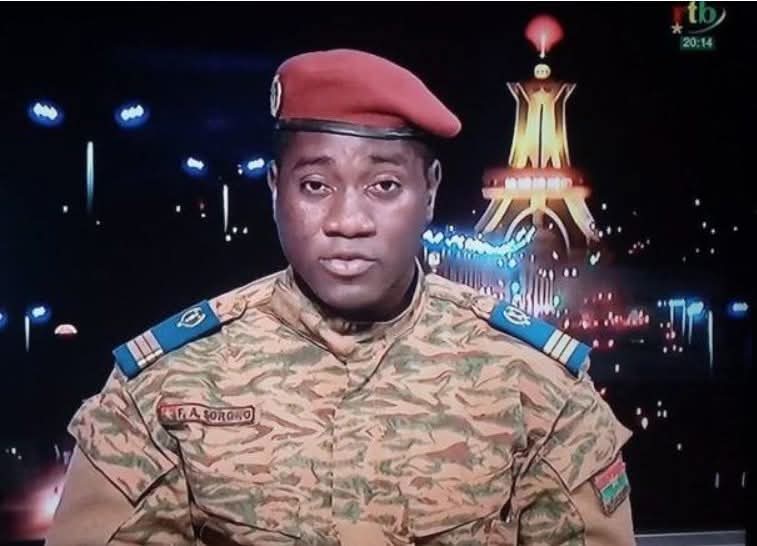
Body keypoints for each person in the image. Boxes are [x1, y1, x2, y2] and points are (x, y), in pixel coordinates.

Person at [45, 49, 636, 546]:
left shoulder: (537, 384)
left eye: (384, 185)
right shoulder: (164, 387)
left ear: (430, 191)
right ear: (275, 189)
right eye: (315, 185)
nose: (347, 221)